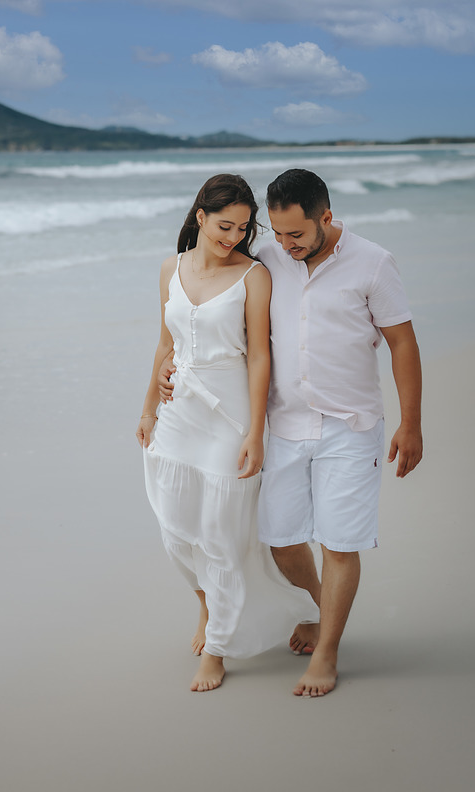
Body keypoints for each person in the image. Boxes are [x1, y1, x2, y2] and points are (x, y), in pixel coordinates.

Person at [159, 168, 423, 697]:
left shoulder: (373, 263)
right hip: (284, 424)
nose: (284, 244)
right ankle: (319, 607)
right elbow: (217, 318)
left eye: (296, 234)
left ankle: (326, 652)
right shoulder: (270, 261)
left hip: (351, 426)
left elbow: (402, 343)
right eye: (275, 234)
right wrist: (175, 367)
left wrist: (411, 423)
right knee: (281, 542)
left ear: (326, 218)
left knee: (340, 543)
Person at [137, 174, 319, 693]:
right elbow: (164, 344)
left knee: (220, 534)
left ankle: (217, 648)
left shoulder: (253, 276)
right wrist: (148, 405)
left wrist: (256, 431)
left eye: (242, 228)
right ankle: (207, 606)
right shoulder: (170, 268)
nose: (233, 237)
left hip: (229, 416)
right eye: (224, 225)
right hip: (178, 416)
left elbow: (259, 355)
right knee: (176, 533)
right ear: (199, 216)